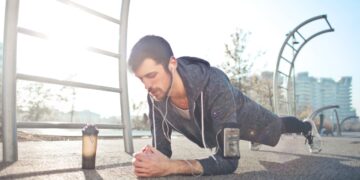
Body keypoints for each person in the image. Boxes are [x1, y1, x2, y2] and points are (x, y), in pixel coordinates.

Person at [129, 35, 322, 177]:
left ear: (172, 63)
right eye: (141, 79)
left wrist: (172, 167)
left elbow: (228, 160)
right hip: (222, 128)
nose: (147, 86)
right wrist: (149, 159)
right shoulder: (155, 96)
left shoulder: (214, 83)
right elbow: (163, 150)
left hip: (250, 120)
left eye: (152, 75)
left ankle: (307, 126)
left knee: (278, 127)